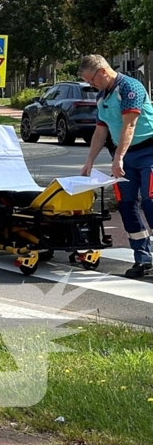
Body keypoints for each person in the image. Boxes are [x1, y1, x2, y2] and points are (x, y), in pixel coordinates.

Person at [79, 54, 153, 279]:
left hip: (148, 151)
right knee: (127, 204)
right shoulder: (102, 96)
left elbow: (129, 126)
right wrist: (90, 160)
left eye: (91, 80)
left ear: (102, 71)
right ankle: (143, 259)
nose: (91, 85)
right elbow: (101, 130)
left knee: (150, 202)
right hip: (124, 156)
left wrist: (118, 158)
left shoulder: (130, 87)